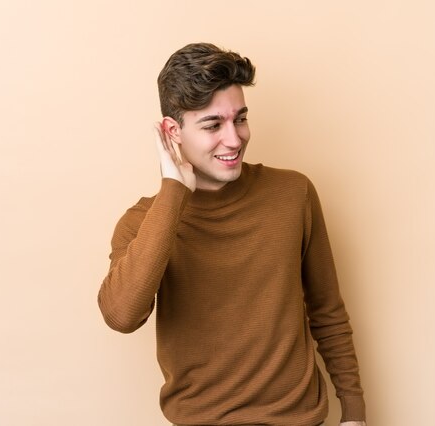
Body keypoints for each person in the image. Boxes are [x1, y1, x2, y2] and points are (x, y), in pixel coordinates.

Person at [97, 42, 366, 426]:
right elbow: (121, 316)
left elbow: (326, 311)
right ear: (172, 131)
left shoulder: (293, 194)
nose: (235, 139)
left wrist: (354, 412)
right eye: (212, 125)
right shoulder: (143, 222)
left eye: (240, 119)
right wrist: (174, 191)